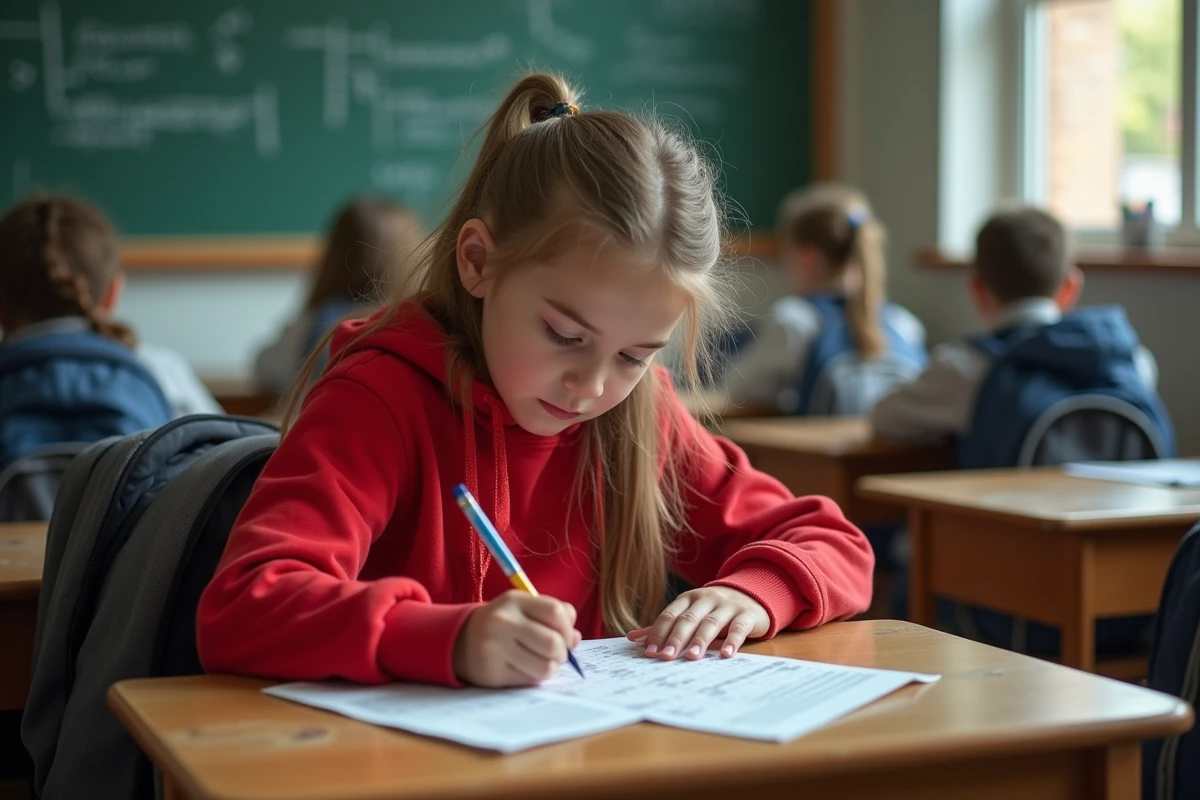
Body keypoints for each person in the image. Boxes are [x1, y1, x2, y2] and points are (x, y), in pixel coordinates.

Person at [197, 74, 874, 689]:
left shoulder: (638, 413)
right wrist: (449, 639)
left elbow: (835, 543)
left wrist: (756, 593)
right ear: (477, 262)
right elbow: (243, 605)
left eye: (637, 355)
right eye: (565, 336)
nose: (591, 384)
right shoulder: (378, 400)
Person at [725, 184, 925, 415]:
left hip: (820, 450)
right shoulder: (905, 324)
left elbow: (738, 391)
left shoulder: (796, 320)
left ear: (807, 258)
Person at [253, 196, 424, 394]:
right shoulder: (417, 327)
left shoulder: (312, 324)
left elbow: (265, 367)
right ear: (411, 256)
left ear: (335, 255)